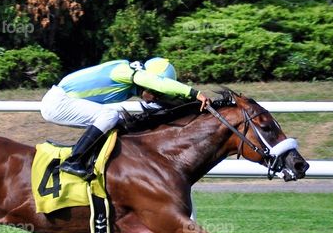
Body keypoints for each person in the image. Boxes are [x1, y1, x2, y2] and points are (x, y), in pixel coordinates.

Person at [40, 57, 211, 177]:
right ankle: (73, 161)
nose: (157, 96)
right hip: (58, 102)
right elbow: (158, 82)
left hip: (64, 100)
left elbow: (163, 101)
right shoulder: (125, 70)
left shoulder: (130, 81)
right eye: (157, 92)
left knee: (120, 120)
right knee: (110, 115)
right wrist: (194, 93)